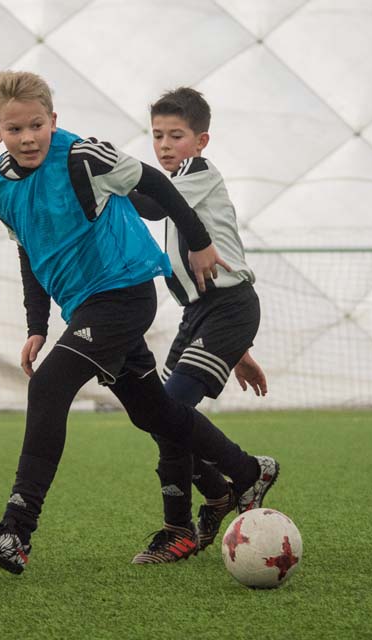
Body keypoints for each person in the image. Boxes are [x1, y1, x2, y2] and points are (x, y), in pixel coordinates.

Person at [0, 70, 278, 575]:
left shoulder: (84, 156)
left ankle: (16, 531)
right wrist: (36, 325)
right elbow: (29, 252)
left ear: (53, 120)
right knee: (155, 413)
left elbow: (156, 185)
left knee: (49, 388)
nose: (28, 137)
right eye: (15, 129)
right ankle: (247, 470)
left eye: (37, 125)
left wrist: (199, 242)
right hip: (85, 306)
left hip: (122, 296)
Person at [126, 88, 272, 564]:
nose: (164, 146)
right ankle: (220, 491)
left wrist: (106, 176)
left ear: (201, 141)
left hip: (229, 308)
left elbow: (151, 205)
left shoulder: (197, 172)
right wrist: (239, 352)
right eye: (157, 136)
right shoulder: (179, 181)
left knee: (168, 411)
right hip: (202, 315)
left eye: (176, 135)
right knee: (160, 417)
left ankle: (187, 523)